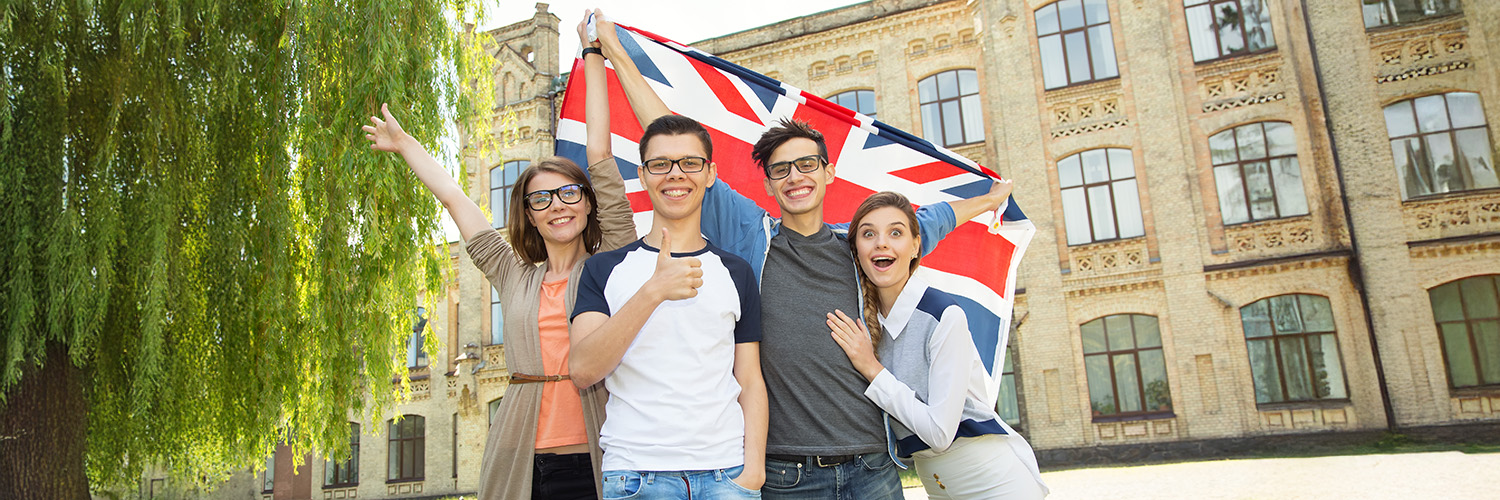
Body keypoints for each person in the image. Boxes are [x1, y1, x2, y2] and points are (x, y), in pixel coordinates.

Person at [589, 12, 1014, 497]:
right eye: (782, 169)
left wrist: (990, 198)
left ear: (828, 173)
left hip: (872, 467)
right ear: (768, 184)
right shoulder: (751, 237)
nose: (796, 176)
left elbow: (932, 219)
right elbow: (672, 141)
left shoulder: (862, 247)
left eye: (807, 164)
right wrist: (618, 54)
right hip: (787, 475)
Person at [362, 13, 633, 499]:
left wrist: (592, 55)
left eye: (570, 193)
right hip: (522, 453)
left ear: (590, 202)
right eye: (541, 198)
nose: (558, 206)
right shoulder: (513, 273)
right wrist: (406, 147)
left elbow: (599, 151)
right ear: (527, 215)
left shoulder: (611, 261)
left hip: (604, 449)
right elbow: (455, 199)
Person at [568, 113, 768, 499]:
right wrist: (652, 292)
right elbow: (583, 370)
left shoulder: (736, 271)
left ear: (710, 174)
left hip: (728, 474)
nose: (675, 174)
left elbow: (750, 379)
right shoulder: (603, 269)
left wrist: (754, 469)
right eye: (660, 164)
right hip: (637, 476)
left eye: (690, 163)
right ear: (643, 177)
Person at [829, 191, 1048, 499]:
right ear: (855, 251)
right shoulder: (867, 322)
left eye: (896, 232)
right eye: (868, 234)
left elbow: (940, 433)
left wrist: (871, 368)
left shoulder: (944, 316)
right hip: (937, 485)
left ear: (916, 245)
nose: (881, 243)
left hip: (993, 482)